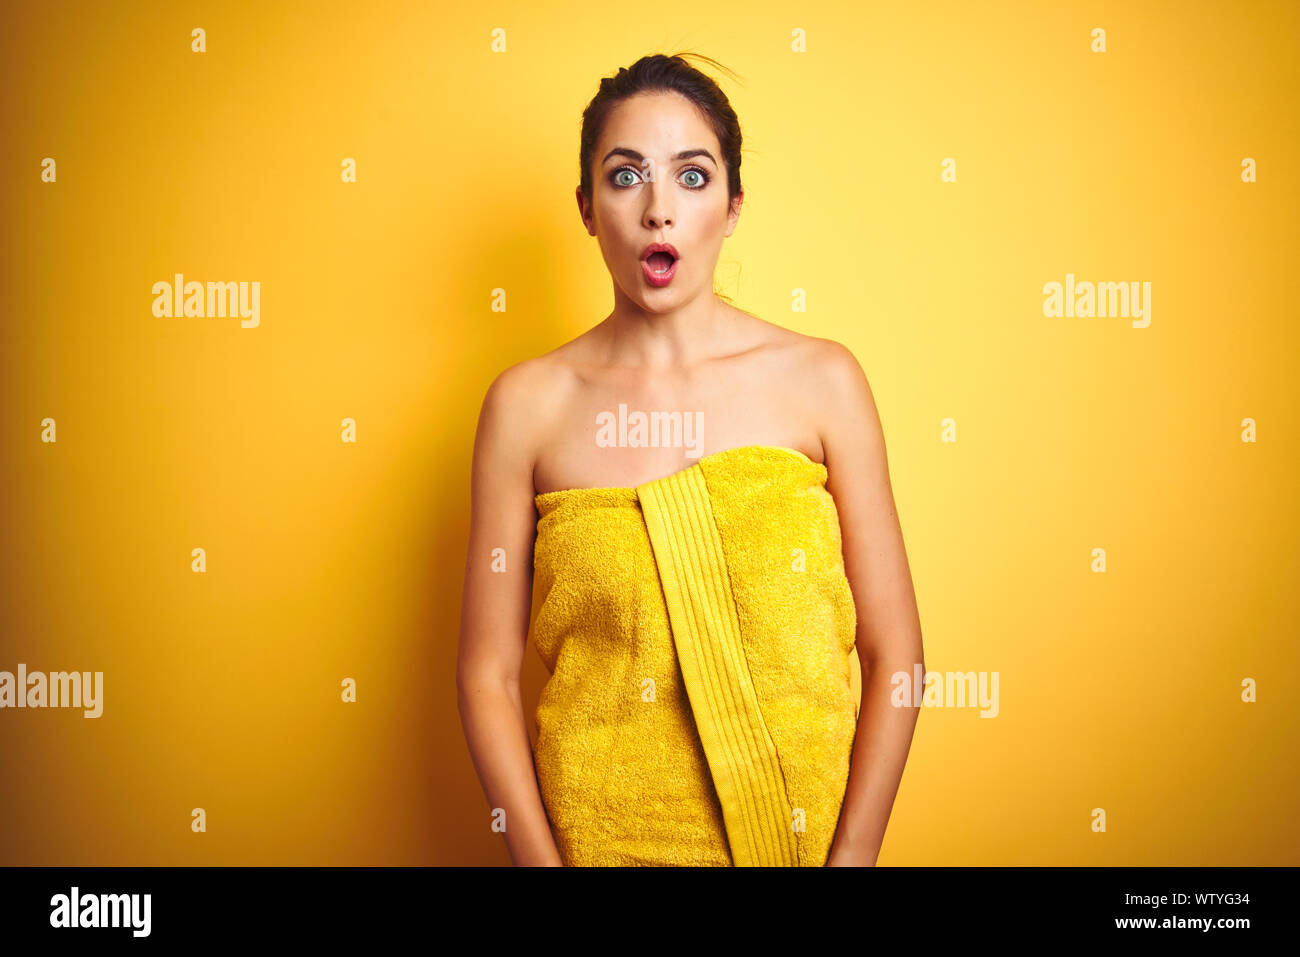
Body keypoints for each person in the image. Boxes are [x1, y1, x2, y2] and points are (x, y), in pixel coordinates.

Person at [458, 52, 923, 866]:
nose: (659, 210)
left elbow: (899, 661)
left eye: (693, 177)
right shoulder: (526, 407)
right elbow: (486, 677)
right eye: (626, 175)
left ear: (735, 206)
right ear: (586, 207)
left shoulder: (824, 383)